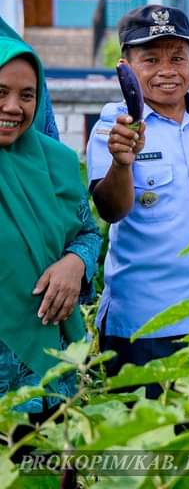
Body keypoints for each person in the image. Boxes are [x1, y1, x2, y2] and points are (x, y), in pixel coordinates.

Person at [87, 5, 189, 383]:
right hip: (145, 324)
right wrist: (122, 163)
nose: (167, 70)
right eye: (151, 59)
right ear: (125, 68)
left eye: (177, 57)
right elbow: (111, 210)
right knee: (148, 438)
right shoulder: (114, 126)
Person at [0, 36, 101, 415]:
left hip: (50, 376)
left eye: (27, 95)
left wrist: (74, 263)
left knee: (49, 471)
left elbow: (87, 233)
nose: (13, 107)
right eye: (1, 92)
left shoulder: (54, 161)